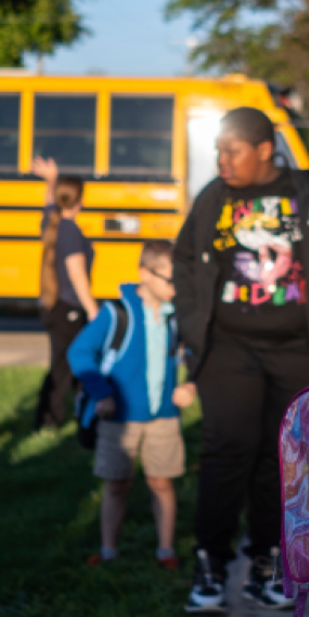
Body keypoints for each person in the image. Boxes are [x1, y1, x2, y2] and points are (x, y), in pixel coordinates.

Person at [173, 106, 309, 613]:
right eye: (218, 150)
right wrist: (196, 320)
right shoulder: (215, 197)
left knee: (278, 459)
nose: (222, 160)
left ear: (264, 149)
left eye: (231, 150)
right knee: (227, 449)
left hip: (296, 350)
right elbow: (184, 257)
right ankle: (210, 566)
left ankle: (265, 563)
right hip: (228, 348)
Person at [68, 240, 196, 569]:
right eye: (171, 279)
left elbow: (196, 352)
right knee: (116, 484)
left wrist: (190, 383)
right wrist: (101, 393)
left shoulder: (176, 316)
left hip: (163, 415)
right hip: (119, 418)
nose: (177, 286)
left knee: (162, 482)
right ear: (144, 274)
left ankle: (165, 550)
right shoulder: (116, 314)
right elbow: (79, 354)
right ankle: (109, 551)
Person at [33, 156, 97, 431]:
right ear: (80, 200)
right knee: (67, 367)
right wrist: (93, 310)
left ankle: (79, 415)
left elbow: (49, 203)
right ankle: (50, 421)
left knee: (66, 364)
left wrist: (51, 180)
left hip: (55, 306)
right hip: (69, 307)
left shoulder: (54, 222)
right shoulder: (70, 231)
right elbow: (77, 274)